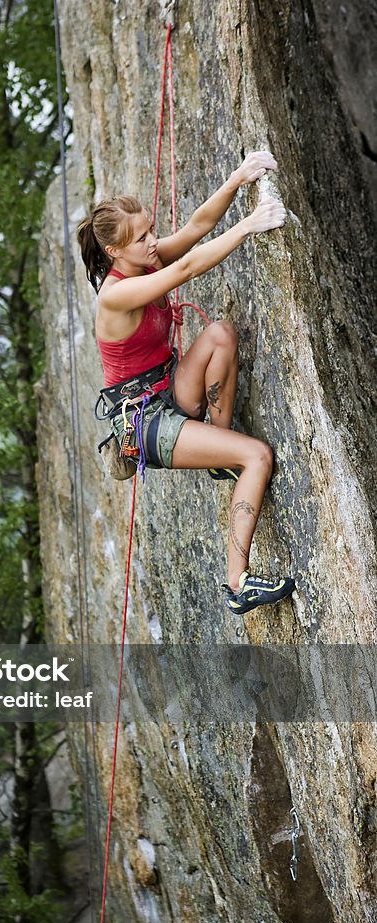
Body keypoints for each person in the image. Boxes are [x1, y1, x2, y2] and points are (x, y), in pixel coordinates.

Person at [76, 151, 295, 615]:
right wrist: (248, 224)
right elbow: (186, 268)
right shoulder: (117, 296)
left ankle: (221, 450)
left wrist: (238, 178)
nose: (154, 242)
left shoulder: (145, 260)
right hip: (143, 425)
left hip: (170, 389)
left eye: (151, 229)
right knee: (257, 455)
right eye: (141, 238)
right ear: (114, 251)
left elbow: (195, 228)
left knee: (221, 335)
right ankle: (238, 584)